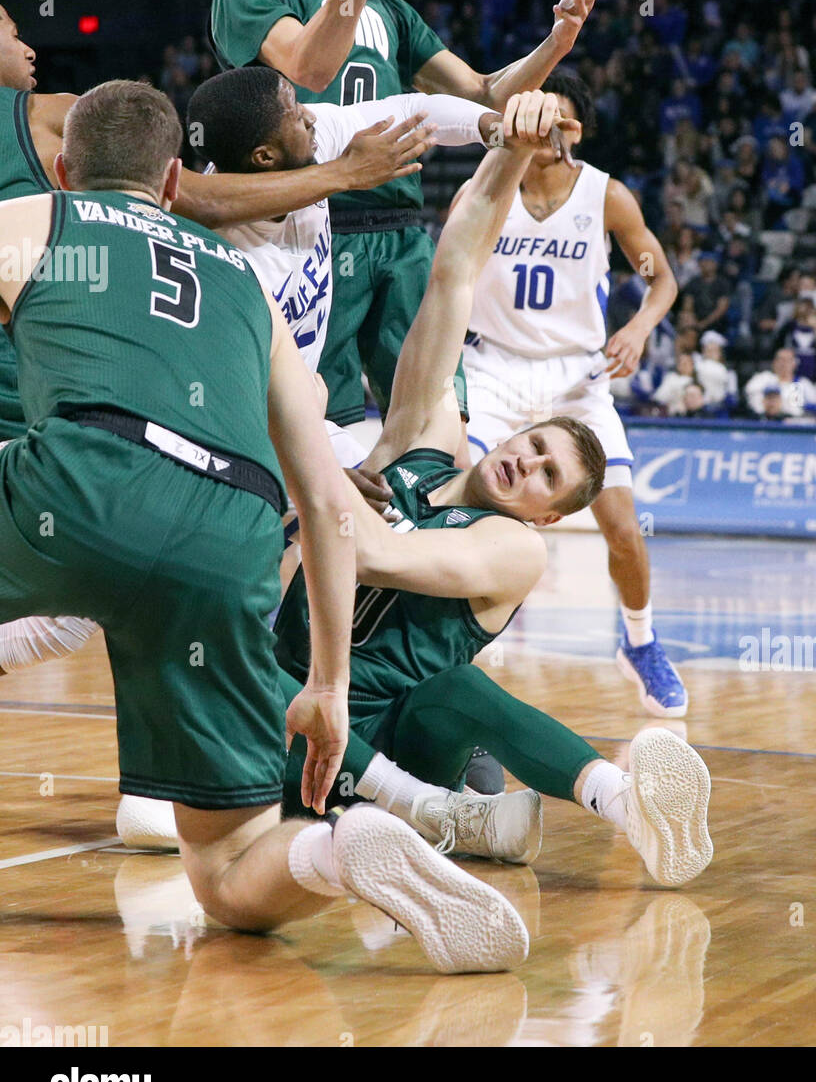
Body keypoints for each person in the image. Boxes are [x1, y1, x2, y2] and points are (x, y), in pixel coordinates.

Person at [0, 79, 529, 974]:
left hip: (83, 473)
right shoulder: (244, 285)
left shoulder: (34, 218)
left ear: (61, 168)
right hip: (233, 526)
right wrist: (326, 684)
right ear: (173, 181)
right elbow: (326, 504)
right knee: (226, 871)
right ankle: (339, 851)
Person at [271, 90, 713, 887]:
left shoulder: (512, 548)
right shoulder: (426, 442)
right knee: (255, 669)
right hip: (304, 721)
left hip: (372, 726)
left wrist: (318, 468)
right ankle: (461, 814)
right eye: (534, 446)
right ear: (509, 429)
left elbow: (366, 551)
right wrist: (510, 141)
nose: (527, 463)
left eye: (547, 476)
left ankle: (623, 804)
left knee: (449, 687)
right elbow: (452, 273)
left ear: (545, 513)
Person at [0, 5, 432, 675]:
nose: (28, 44)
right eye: (11, 29)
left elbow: (190, 195)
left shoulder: (58, 116)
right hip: (98, 429)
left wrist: (493, 125)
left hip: (90, 422)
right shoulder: (217, 253)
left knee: (90, 597)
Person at [206, 0, 600, 430]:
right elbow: (309, 68)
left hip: (400, 230)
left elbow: (485, 92)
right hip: (312, 232)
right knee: (319, 426)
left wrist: (557, 39)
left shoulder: (387, 5)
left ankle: (435, 524)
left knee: (435, 419)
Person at [459, 72, 687, 715]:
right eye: (528, 113)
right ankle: (442, 643)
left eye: (550, 117)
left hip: (577, 382)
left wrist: (639, 328)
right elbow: (443, 272)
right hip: (494, 369)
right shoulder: (485, 187)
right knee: (457, 501)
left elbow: (661, 279)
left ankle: (640, 644)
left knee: (622, 529)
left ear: (571, 131)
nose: (536, 126)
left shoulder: (606, 196)